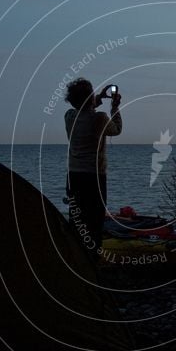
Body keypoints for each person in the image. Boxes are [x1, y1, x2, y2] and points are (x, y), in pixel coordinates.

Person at [64, 78, 122, 258]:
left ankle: (75, 256)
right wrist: (114, 107)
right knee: (95, 221)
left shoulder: (69, 117)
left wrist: (98, 98)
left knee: (77, 220)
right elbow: (117, 129)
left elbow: (82, 108)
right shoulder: (100, 119)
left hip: (73, 176)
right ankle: (93, 259)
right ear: (89, 98)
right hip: (94, 177)